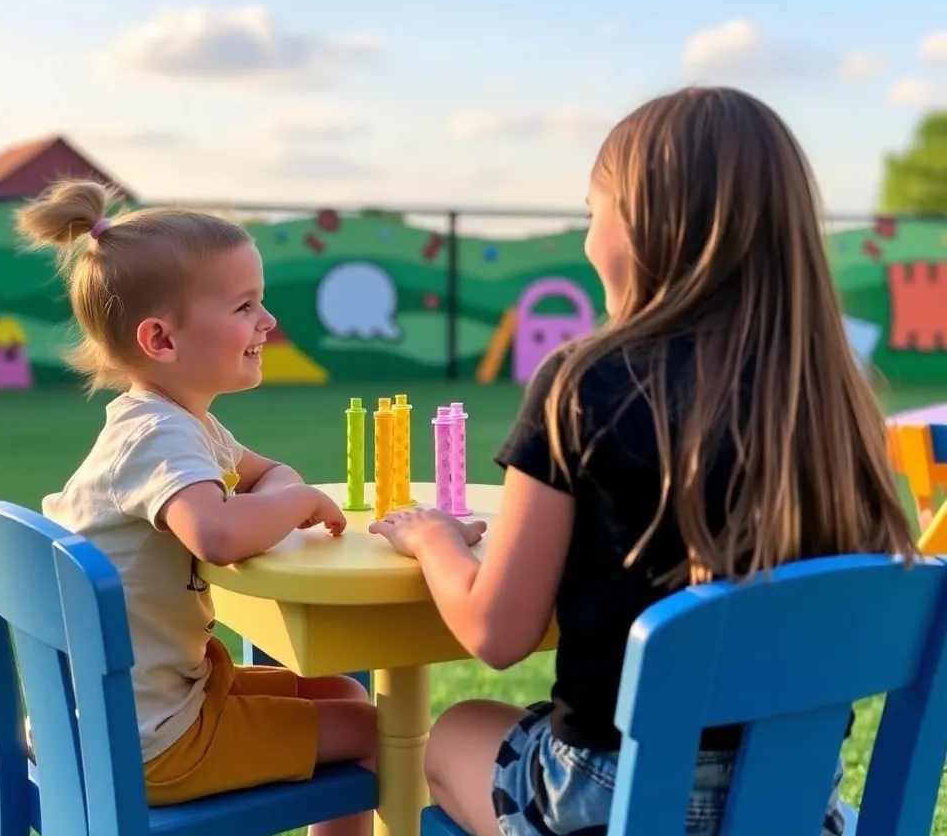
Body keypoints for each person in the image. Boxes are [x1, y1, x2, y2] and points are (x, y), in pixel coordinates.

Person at [369, 86, 917, 836]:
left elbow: (496, 634)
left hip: (610, 798)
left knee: (456, 728)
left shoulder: (581, 382)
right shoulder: (835, 404)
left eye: (594, 211)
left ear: (643, 226)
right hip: (795, 808)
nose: (589, 236)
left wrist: (430, 537)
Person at [16, 181, 376, 833]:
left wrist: (276, 494)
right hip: (152, 740)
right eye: (245, 307)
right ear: (160, 340)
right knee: (373, 732)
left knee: (344, 692)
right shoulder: (160, 437)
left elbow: (264, 474)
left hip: (115, 715)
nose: (267, 323)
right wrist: (292, 502)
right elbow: (216, 533)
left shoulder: (177, 425)